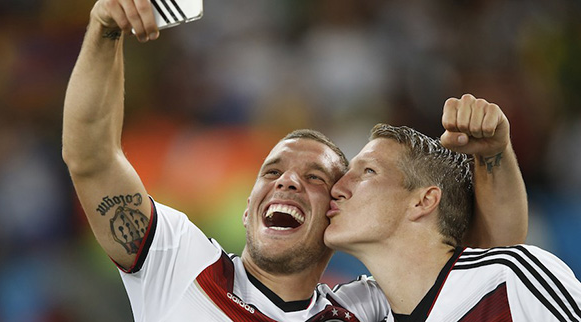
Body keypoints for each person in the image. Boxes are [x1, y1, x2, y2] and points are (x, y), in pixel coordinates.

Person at [62, 0, 528, 320]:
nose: (286, 182)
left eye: (314, 177)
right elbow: (90, 157)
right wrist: (105, 31)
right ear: (248, 208)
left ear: (336, 213)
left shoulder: (367, 309)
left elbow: (493, 265)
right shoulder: (181, 263)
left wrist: (493, 156)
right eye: (272, 171)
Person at [325, 109, 581, 321]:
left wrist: (493, 152)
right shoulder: (358, 310)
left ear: (423, 201)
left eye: (368, 171)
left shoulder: (510, 278)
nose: (336, 188)